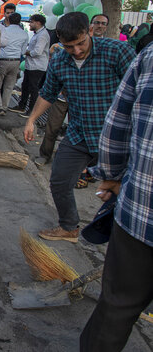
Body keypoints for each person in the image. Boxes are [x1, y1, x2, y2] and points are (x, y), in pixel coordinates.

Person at [23, 12, 136, 242]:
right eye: (68, 46)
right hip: (79, 133)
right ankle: (69, 226)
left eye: (81, 43)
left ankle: (124, 240)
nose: (76, 51)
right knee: (60, 180)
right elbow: (48, 93)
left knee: (125, 191)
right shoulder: (59, 61)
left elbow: (139, 91)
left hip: (118, 139)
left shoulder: (117, 52)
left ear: (90, 31)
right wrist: (31, 119)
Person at [79, 43, 153, 352]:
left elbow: (117, 123)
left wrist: (110, 175)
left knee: (117, 307)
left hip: (142, 214)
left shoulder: (147, 56)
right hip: (141, 211)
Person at [11, 13, 50, 117]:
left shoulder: (43, 35)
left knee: (33, 89)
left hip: (37, 66)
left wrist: (25, 51)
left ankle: (31, 111)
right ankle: (21, 106)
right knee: (25, 86)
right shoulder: (37, 34)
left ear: (38, 23)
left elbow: (37, 51)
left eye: (31, 22)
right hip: (31, 65)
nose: (30, 25)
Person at [0, 12, 27, 116]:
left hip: (3, 60)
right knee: (9, 86)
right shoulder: (24, 33)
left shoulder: (4, 30)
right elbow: (23, 51)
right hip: (16, 62)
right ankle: (5, 107)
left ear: (8, 20)